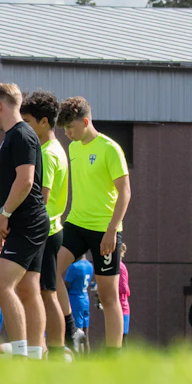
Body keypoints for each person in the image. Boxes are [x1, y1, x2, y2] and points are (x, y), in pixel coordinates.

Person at [55, 96, 131, 353]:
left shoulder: (110, 148)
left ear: (85, 122)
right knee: (50, 272)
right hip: (76, 224)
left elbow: (125, 192)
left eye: (71, 128)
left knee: (108, 296)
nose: (67, 134)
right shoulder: (74, 148)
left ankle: (114, 355)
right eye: (64, 129)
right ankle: (71, 330)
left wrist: (111, 230)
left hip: (104, 230)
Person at [0, 84, 49, 360]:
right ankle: (35, 355)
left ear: (0, 105)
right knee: (27, 288)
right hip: (25, 223)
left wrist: (5, 213)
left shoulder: (21, 135)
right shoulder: (17, 135)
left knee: (0, 286)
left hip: (28, 222)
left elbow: (25, 181)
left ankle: (21, 355)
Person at [21, 90, 69, 359]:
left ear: (44, 122)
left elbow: (43, 196)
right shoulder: (52, 148)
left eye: (28, 121)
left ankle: (56, 349)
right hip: (50, 229)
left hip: (45, 231)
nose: (24, 127)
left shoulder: (48, 153)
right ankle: (47, 347)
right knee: (42, 291)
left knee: (47, 293)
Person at [65, 254, 94, 353]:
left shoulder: (74, 267)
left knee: (77, 334)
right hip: (85, 299)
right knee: (86, 335)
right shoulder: (89, 265)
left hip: (75, 300)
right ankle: (87, 360)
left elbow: (65, 285)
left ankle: (78, 360)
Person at [119, 243, 131, 338]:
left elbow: (123, 288)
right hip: (122, 304)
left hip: (121, 305)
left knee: (122, 337)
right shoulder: (121, 266)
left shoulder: (119, 266)